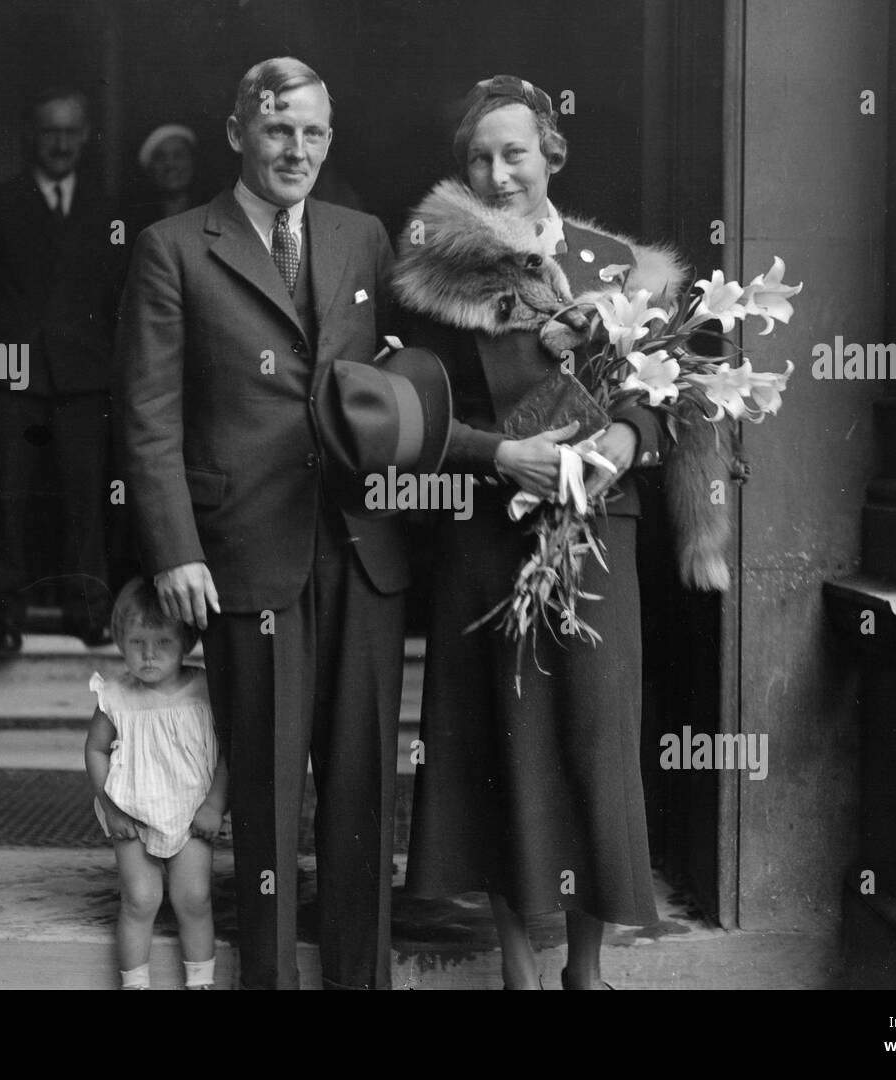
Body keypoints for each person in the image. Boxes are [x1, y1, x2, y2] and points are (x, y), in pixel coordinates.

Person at [392, 75, 720, 989]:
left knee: (591, 742)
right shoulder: (434, 278)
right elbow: (409, 415)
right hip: (489, 536)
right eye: (479, 158)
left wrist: (625, 433)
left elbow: (669, 396)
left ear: (552, 155)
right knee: (500, 745)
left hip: (597, 536)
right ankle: (517, 973)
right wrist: (501, 455)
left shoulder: (620, 267)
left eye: (515, 153)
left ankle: (583, 969)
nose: (498, 174)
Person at [115, 57, 408, 990]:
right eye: (279, 128)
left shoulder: (362, 235)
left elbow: (406, 373)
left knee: (362, 789)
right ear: (239, 133)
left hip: (363, 550)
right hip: (243, 550)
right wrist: (175, 549)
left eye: (314, 131)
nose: (297, 148)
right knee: (269, 794)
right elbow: (148, 414)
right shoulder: (173, 245)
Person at [0, 86, 126, 652]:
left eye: (70, 131)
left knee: (86, 502)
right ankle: (2, 619)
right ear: (34, 135)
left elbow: (121, 296)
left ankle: (91, 614)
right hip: (14, 379)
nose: (60, 143)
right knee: (5, 499)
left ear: (84, 136)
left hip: (84, 380)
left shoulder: (108, 211)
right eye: (50, 131)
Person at [85, 577, 228, 991]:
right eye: (136, 643)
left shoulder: (204, 690)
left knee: (193, 899)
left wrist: (214, 805)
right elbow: (95, 751)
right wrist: (111, 809)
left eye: (162, 643)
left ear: (185, 641)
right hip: (130, 811)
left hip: (191, 812)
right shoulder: (115, 696)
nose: (148, 656)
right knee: (141, 899)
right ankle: (135, 984)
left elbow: (227, 752)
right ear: (120, 640)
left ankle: (201, 982)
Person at [126, 123, 205, 237]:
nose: (170, 165)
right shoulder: (133, 220)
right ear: (150, 168)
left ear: (193, 161)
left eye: (178, 155)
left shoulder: (215, 214)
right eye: (160, 157)